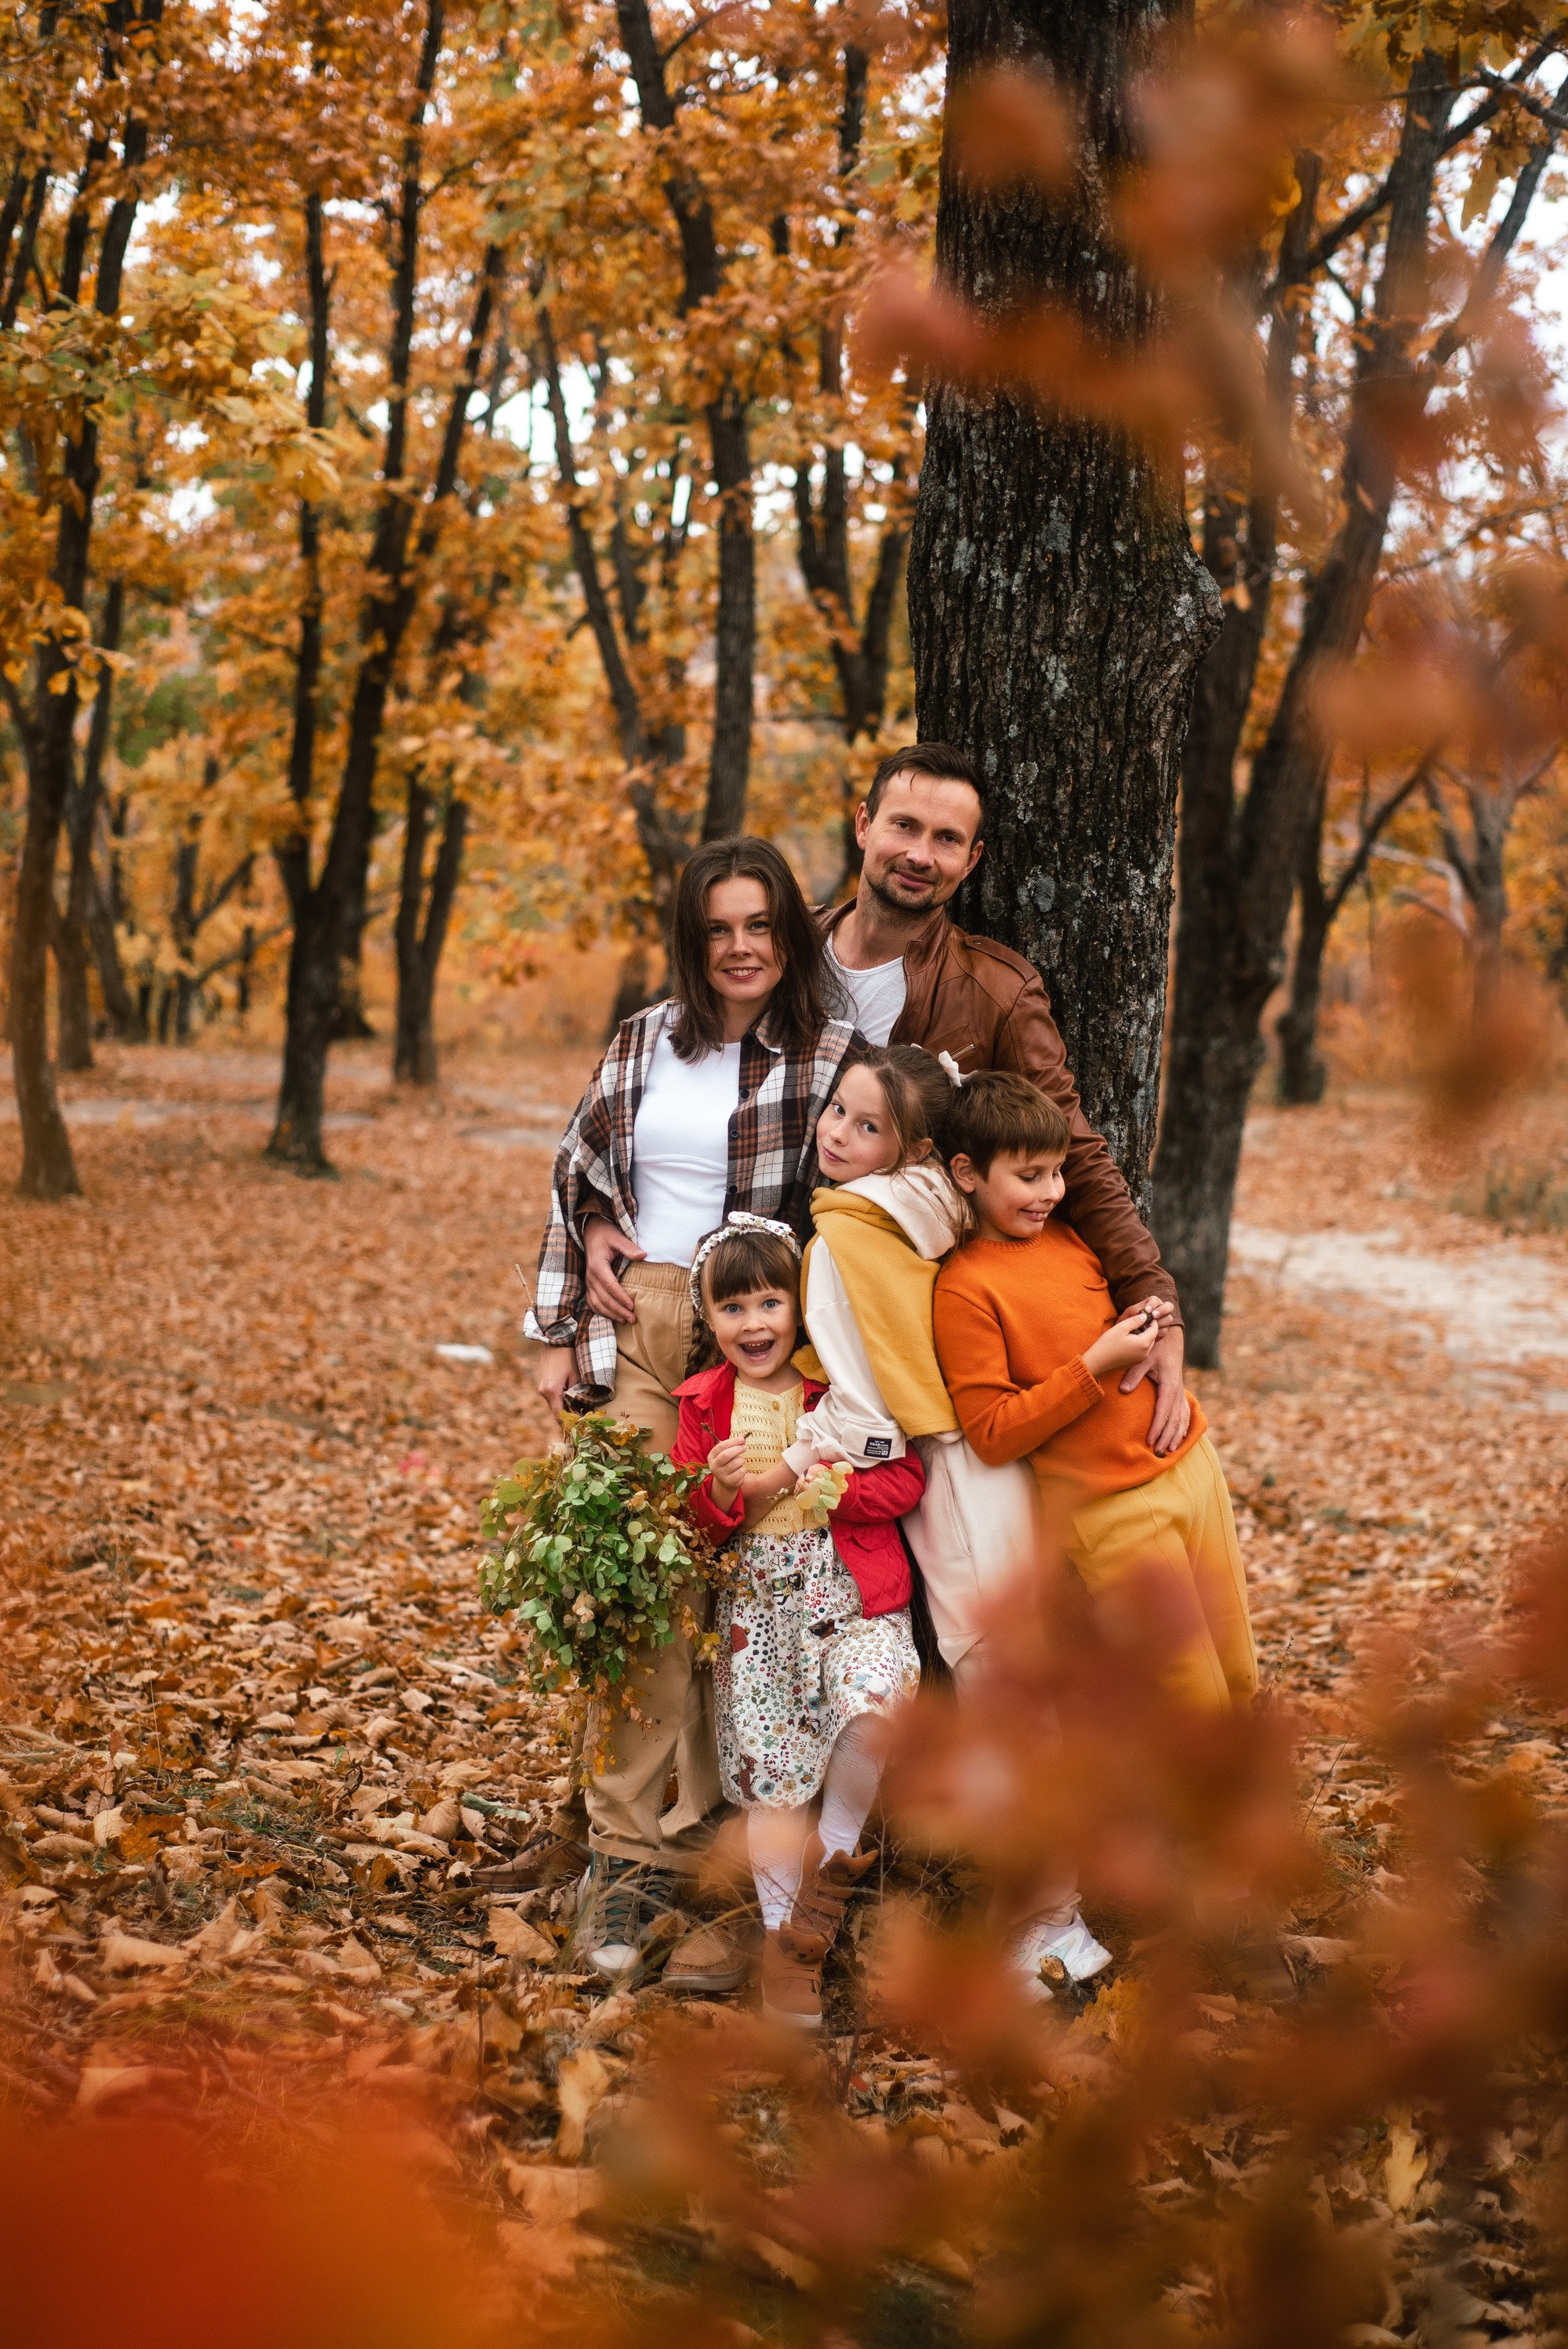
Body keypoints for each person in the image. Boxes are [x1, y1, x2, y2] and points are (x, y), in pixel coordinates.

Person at [525, 839, 858, 1994]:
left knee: (746, 1602)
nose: (741, 948)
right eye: (718, 928)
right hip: (644, 1326)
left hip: (759, 1339)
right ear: (692, 935)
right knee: (635, 1590)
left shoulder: (827, 1054)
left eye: (761, 924)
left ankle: (727, 1861)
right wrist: (561, 1327)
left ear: (791, 932)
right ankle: (624, 1857)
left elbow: (877, 1183)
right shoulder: (642, 1039)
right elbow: (579, 1176)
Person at [782, 1043, 1112, 1999]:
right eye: (835, 1111)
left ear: (910, 1145)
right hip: (996, 1473)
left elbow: (863, 1414)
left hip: (952, 1475)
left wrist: (792, 1457)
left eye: (866, 1123)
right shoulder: (928, 1204)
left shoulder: (840, 1238)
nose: (838, 1135)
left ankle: (1052, 1924)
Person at [815, 742, 1191, 1456]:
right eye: (904, 826)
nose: (920, 854)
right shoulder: (785, 953)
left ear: (973, 859)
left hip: (905, 1323)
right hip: (763, 1299)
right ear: (864, 824)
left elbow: (1074, 1152)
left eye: (947, 839)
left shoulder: (998, 992)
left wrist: (1159, 1309)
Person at [932, 1071, 1258, 1723]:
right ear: (966, 1172)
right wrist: (1094, 1365)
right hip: (1113, 1513)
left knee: (1238, 1672)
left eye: (1057, 1173)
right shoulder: (964, 1289)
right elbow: (992, 1433)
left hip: (1192, 1469)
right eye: (1030, 1176)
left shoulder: (1068, 1236)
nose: (1052, 1192)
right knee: (1184, 1693)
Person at [673, 1216, 924, 2028]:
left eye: (770, 1302)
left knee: (873, 1703)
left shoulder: (841, 1388)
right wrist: (713, 1491)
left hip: (845, 1589)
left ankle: (834, 1867)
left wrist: (836, 1485)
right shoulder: (704, 1406)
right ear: (709, 1319)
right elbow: (692, 1523)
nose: (753, 1324)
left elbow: (906, 1479)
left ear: (799, 1308)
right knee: (767, 1775)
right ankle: (788, 1946)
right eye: (733, 1307)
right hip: (755, 1608)